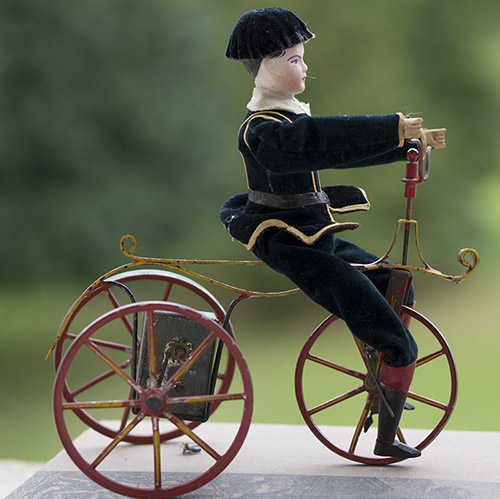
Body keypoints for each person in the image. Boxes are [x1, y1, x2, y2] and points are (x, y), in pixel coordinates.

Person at [219, 7, 446, 459]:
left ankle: (385, 371)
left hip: (313, 231)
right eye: (295, 59)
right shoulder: (263, 130)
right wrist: (390, 129)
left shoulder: (287, 119)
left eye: (303, 58)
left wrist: (404, 145)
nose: (305, 68)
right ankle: (391, 384)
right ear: (266, 66)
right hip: (286, 239)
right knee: (393, 334)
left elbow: (333, 147)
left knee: (393, 281)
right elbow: (319, 141)